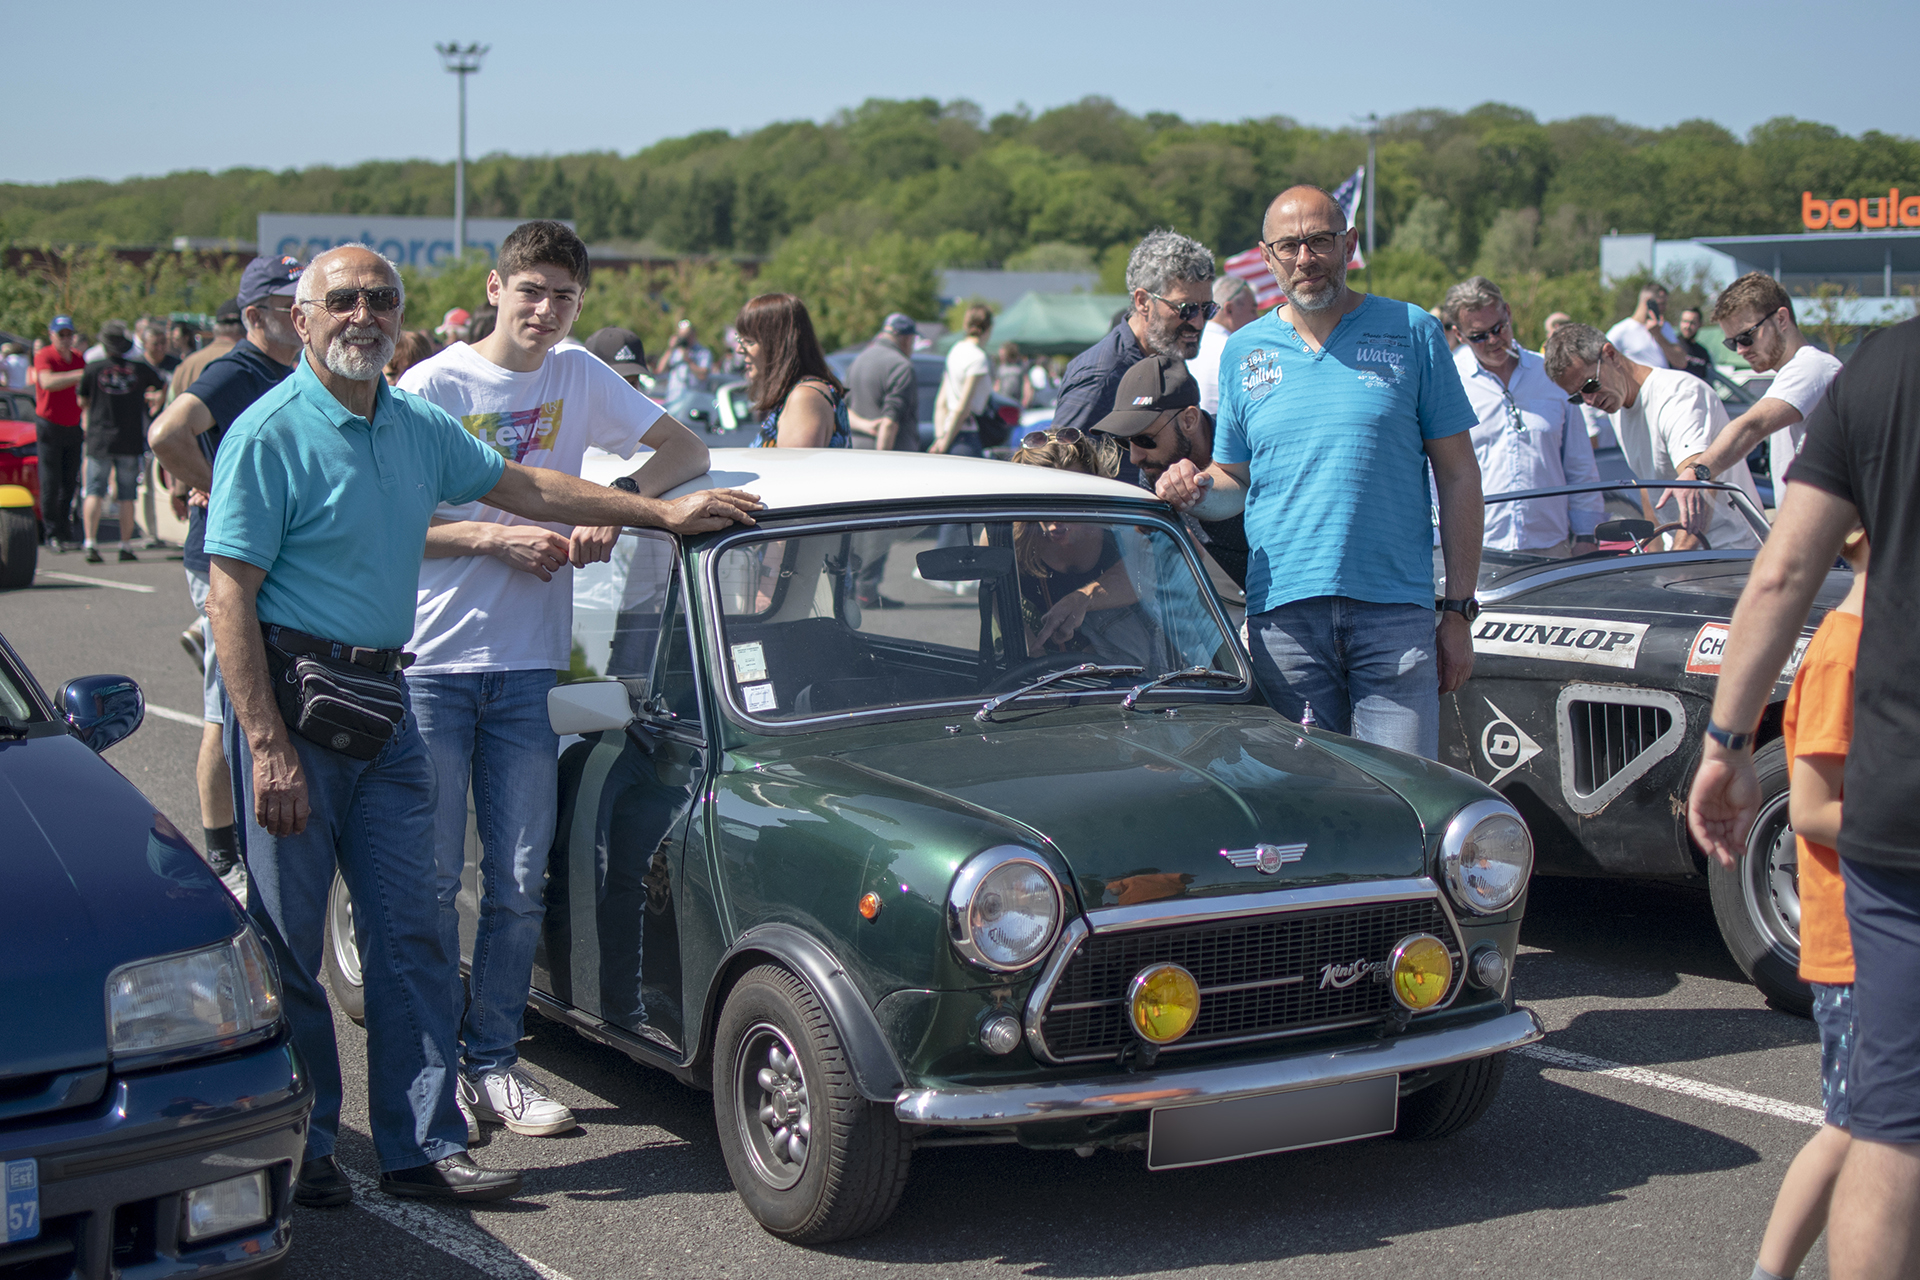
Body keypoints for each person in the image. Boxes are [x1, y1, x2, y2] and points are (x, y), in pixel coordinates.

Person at [203, 243, 759, 1209]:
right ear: (303, 319)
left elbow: (531, 488)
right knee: (290, 941)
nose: (363, 316)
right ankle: (306, 1142)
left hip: (388, 702)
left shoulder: (415, 424)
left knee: (414, 927)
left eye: (381, 299)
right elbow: (227, 597)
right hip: (296, 710)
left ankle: (421, 1145)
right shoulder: (268, 434)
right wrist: (263, 744)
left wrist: (658, 516)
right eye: (343, 301)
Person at [397, 220, 712, 1140]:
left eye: (563, 296)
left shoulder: (579, 371)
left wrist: (618, 513)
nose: (544, 310)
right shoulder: (435, 384)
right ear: (494, 288)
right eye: (529, 290)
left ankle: (494, 1063)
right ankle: (429, 1072)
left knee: (521, 880)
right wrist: (494, 535)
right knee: (423, 889)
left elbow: (685, 455)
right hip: (432, 667)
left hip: (531, 667)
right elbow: (391, 523)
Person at [1686, 316, 1920, 1280]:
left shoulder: (1884, 368)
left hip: (1903, 810)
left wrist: (1724, 743)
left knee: (1891, 1129)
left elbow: (1782, 566)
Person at [1155, 185, 1482, 759]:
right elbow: (1236, 478)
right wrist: (1194, 488)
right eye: (1289, 246)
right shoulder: (1243, 351)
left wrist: (1457, 610)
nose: (1305, 258)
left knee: (1403, 800)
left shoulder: (1412, 332)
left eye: (1320, 241)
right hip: (1284, 620)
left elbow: (1458, 476)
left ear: (1348, 244)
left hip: (1394, 617)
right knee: (1304, 815)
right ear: (1267, 256)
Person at [150, 254, 308, 896]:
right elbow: (167, 434)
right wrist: (221, 489)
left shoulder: (289, 371)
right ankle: (222, 858)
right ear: (254, 316)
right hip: (223, 562)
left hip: (265, 559)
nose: (301, 316)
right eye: (286, 306)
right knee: (228, 708)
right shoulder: (237, 370)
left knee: (251, 698)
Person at [1750, 527, 1866, 1280]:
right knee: (1855, 1131)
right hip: (1857, 944)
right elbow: (1814, 810)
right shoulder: (1847, 647)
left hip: (1888, 932)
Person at [1545, 323, 1763, 551]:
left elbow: (1698, 491)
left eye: (1590, 385)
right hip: (1690, 557)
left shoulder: (1679, 396)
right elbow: (1649, 488)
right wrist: (1653, 566)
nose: (1589, 401)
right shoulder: (1617, 404)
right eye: (1578, 398)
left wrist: (1675, 567)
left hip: (1730, 555)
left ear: (1610, 355)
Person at [1444, 277, 1603, 557]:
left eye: (1498, 328)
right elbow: (1435, 474)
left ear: (1508, 312)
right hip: (1475, 550)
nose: (1493, 340)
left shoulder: (1551, 375)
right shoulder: (1447, 382)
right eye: (1479, 336)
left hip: (1551, 546)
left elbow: (1580, 465)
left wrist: (1587, 534)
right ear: (1459, 335)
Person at [1052, 229, 1217, 461]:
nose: (1198, 322)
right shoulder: (1101, 375)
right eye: (1185, 309)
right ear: (1143, 302)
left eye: (1207, 308)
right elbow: (1061, 470)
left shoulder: (1166, 355)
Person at [1097, 353, 1248, 590]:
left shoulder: (1246, 448)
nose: (1135, 457)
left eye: (1144, 439)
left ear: (1189, 420)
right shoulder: (1154, 468)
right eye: (1124, 442)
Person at [1688, 273, 1844, 500]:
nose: (1740, 350)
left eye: (1746, 337)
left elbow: (1753, 426)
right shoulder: (1792, 373)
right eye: (1732, 343)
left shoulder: (1813, 366)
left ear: (1781, 319)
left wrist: (1696, 473)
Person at [76, 321, 167, 563]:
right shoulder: (139, 369)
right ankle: (125, 545)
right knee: (127, 495)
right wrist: (155, 404)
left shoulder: (93, 368)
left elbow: (81, 400)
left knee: (94, 490)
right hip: (129, 437)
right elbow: (163, 384)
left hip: (99, 437)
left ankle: (91, 543)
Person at [735, 293, 850, 448]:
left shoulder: (805, 397)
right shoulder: (803, 394)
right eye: (739, 341)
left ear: (777, 345)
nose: (739, 350)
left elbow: (793, 471)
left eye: (749, 342)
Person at [30, 315, 87, 552]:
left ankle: (64, 529)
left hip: (72, 425)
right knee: (50, 481)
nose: (65, 339)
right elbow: (47, 382)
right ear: (52, 335)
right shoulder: (45, 355)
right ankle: (51, 531)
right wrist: (79, 375)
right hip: (49, 425)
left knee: (69, 481)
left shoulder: (78, 358)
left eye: (68, 334)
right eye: (60, 334)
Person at [134, 317, 178, 549]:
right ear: (144, 344)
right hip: (142, 430)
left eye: (163, 343)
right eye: (155, 344)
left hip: (170, 430)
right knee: (145, 483)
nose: (160, 348)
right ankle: (148, 530)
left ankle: (170, 528)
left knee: (170, 481)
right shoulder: (136, 366)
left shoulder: (175, 364)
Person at [848, 313, 919, 454]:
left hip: (854, 453)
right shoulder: (902, 366)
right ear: (906, 339)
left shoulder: (857, 361)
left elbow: (843, 410)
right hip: (890, 457)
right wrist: (881, 460)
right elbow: (889, 423)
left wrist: (866, 425)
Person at [1189, 275, 1256, 415]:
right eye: (1253, 310)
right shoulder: (1236, 352)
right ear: (1229, 309)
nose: (1257, 319)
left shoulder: (1188, 347)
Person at [932, 304, 994, 457]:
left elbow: (941, 402)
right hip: (965, 435)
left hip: (948, 431)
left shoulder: (955, 350)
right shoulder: (978, 357)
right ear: (989, 328)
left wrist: (940, 437)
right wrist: (945, 443)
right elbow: (963, 407)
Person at [1606, 283, 1691, 372]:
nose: (1664, 308)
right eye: (1661, 304)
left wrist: (1658, 335)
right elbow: (1603, 363)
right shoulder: (1621, 330)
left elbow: (1681, 362)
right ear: (1648, 302)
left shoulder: (1665, 327)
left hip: (1664, 384)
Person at [652, 319, 713, 417]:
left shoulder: (703, 352)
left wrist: (688, 360)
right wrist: (670, 348)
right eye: (682, 335)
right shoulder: (675, 352)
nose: (685, 338)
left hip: (692, 403)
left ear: (693, 334)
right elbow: (660, 370)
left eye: (687, 335)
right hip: (673, 400)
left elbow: (703, 375)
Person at [1674, 306, 1714, 381]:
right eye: (1685, 321)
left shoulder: (1703, 352)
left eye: (1692, 323)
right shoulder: (1671, 346)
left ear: (1700, 324)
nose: (1687, 326)